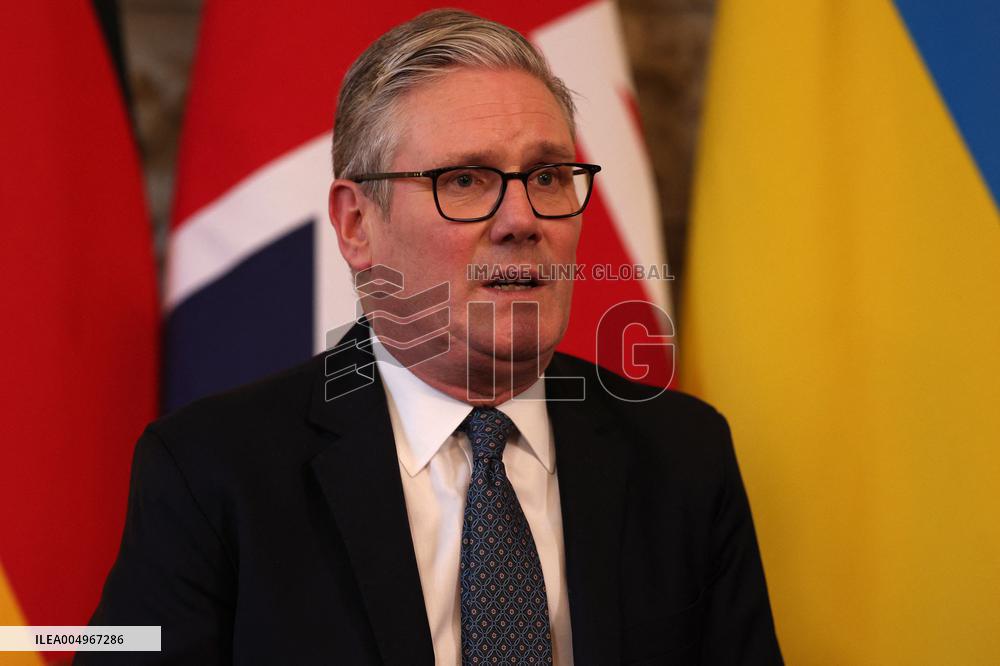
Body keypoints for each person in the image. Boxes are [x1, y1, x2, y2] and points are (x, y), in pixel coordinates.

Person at [80, 9, 781, 665]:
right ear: (357, 224)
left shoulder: (684, 455)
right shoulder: (211, 472)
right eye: (466, 180)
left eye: (547, 175)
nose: (521, 219)